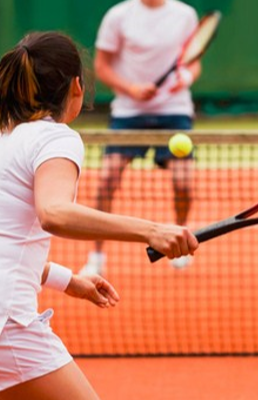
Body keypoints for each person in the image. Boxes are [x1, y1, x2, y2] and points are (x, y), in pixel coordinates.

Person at [0, 32, 198, 400]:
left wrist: (69, 281)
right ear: (77, 86)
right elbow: (54, 213)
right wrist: (152, 230)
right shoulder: (57, 138)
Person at [80, 0, 201, 275]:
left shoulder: (185, 15)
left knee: (184, 183)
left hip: (175, 111)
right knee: (107, 180)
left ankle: (180, 241)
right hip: (128, 112)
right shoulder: (118, 16)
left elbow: (193, 64)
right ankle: (96, 256)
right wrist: (131, 88)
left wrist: (186, 78)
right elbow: (102, 66)